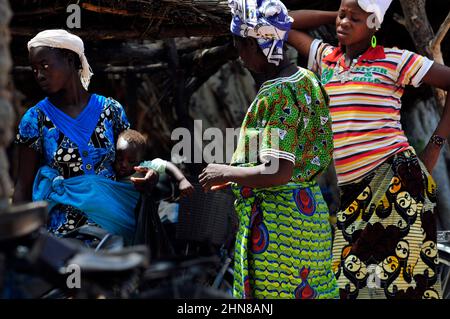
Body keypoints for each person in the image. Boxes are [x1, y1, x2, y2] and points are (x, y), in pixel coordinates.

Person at [287, 0, 450, 298]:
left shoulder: (395, 60)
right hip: (352, 189)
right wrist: (340, 15)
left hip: (397, 181)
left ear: (374, 23)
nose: (344, 23)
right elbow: (283, 22)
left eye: (356, 19)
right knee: (352, 284)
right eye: (342, 15)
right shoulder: (326, 59)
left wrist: (435, 146)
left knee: (396, 285)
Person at [199, 0, 339, 299]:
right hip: (309, 218)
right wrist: (239, 176)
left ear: (255, 43)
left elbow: (277, 171)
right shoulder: (307, 79)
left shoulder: (276, 94)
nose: (239, 56)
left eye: (240, 46)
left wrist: (224, 171)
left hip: (279, 230)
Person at [13, 29, 158, 244]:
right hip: (65, 238)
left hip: (116, 230)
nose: (39, 75)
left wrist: (149, 176)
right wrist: (18, 242)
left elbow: (131, 164)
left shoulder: (111, 111)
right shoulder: (36, 119)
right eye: (34, 69)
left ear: (69, 59)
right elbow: (23, 186)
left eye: (44, 65)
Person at [115, 129, 194, 198]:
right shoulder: (110, 168)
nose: (124, 164)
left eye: (131, 161)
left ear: (140, 160)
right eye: (120, 159)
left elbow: (167, 165)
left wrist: (182, 180)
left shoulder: (143, 167)